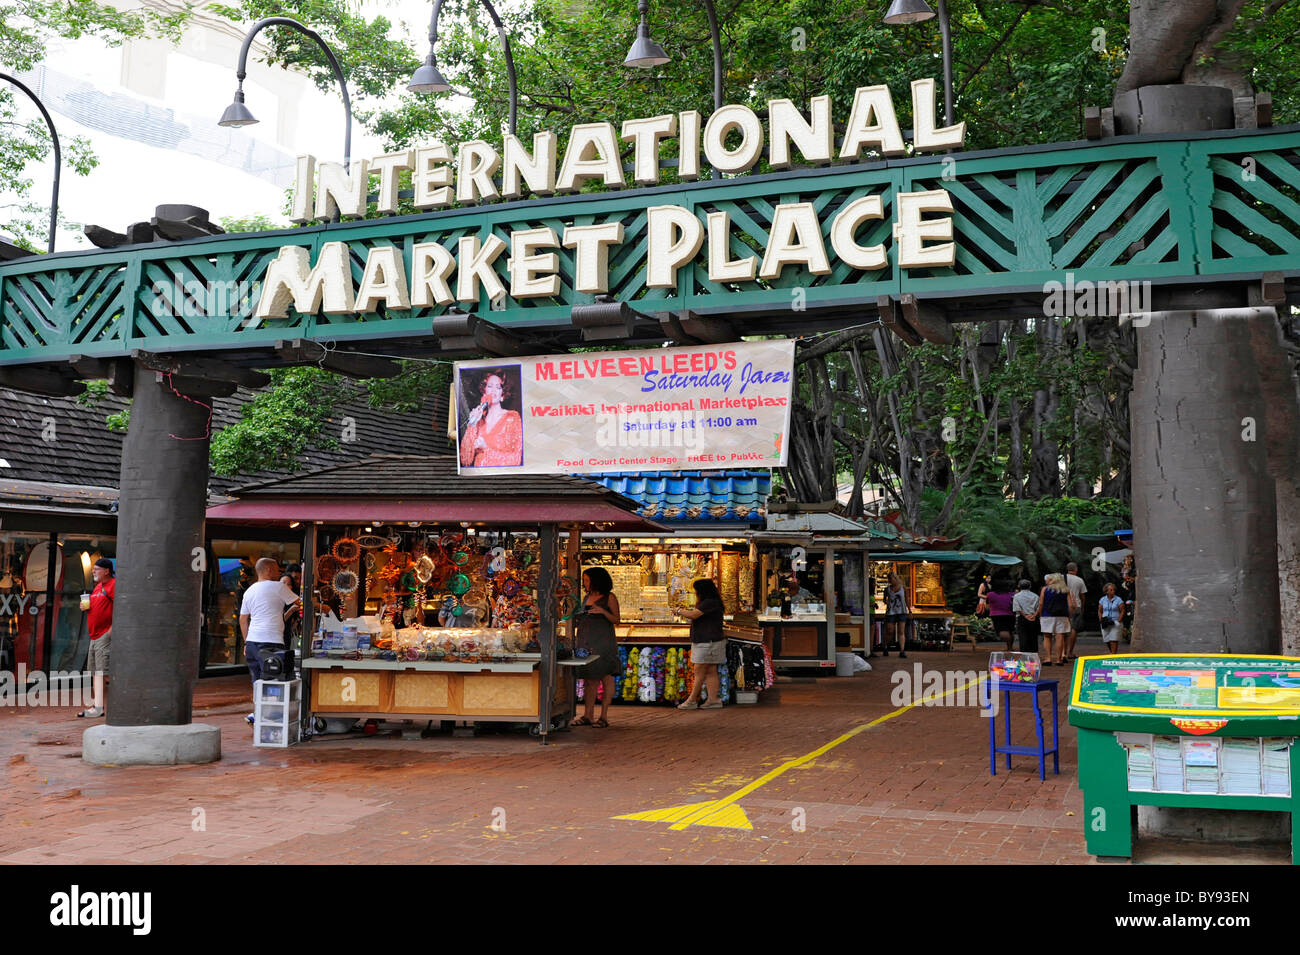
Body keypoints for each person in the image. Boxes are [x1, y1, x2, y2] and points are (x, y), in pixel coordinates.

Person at [239, 558, 300, 725]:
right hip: (271, 641)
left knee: (257, 680)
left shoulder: (249, 591)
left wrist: (246, 642)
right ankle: (271, 718)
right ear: (267, 570)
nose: (279, 572)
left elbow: (243, 620)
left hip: (252, 642)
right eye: (276, 569)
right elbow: (300, 602)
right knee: (275, 681)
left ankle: (257, 714)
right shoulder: (278, 587)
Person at [572, 568, 622, 728]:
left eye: (587, 580)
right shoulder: (587, 597)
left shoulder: (609, 597)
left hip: (603, 642)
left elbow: (616, 619)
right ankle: (588, 714)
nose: (585, 583)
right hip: (586, 640)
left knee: (606, 676)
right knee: (589, 679)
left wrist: (602, 611)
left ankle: (604, 716)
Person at [678, 578, 727, 709]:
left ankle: (692, 700)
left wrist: (678, 611)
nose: (694, 593)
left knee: (699, 671)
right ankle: (713, 699)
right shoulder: (713, 602)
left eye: (696, 591)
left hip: (706, 642)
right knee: (711, 670)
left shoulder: (709, 603)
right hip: (712, 641)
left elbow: (694, 615)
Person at [460, 370, 523, 467]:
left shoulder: (512, 418)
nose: (493, 391)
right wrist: (472, 424)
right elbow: (465, 460)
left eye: (498, 387)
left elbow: (516, 459)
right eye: (489, 386)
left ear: (503, 395)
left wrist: (486, 448)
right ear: (484, 391)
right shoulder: (479, 422)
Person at [78, 558, 115, 719]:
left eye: (97, 568)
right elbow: (97, 607)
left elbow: (122, 607)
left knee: (105, 672)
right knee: (96, 672)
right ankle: (98, 707)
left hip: (104, 635)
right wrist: (85, 607)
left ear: (106, 571)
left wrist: (111, 631)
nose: (93, 571)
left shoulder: (114, 585)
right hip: (94, 635)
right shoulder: (98, 587)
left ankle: (131, 699)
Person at [1038, 573, 1074, 666]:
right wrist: (1069, 615)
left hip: (1047, 615)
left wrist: (1040, 614)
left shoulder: (1045, 589)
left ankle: (1048, 658)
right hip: (1062, 616)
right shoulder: (1066, 590)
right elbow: (1070, 605)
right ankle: (1058, 659)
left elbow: (1041, 603)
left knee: (1047, 637)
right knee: (1060, 637)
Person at [1064, 561, 1088, 662]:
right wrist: (1082, 607)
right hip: (1076, 606)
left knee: (1063, 629)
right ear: (1076, 569)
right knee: (1074, 629)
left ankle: (1062, 652)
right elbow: (1082, 596)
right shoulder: (1079, 580)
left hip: (1063, 606)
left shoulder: (1061, 578)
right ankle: (1070, 652)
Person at [986, 578, 1016, 652]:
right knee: (1010, 630)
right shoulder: (1012, 594)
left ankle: (1009, 645)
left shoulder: (990, 595)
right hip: (1010, 614)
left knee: (1002, 631)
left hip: (997, 615)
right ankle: (1010, 647)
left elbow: (988, 604)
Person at [882, 572, 908, 658]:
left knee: (901, 631)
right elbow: (884, 599)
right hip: (891, 612)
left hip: (902, 611)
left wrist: (910, 611)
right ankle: (885, 646)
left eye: (891, 579)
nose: (890, 581)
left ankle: (902, 651)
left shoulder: (903, 588)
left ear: (895, 578)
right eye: (889, 579)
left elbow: (907, 600)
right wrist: (886, 602)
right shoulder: (887, 589)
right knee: (890, 631)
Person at [1011, 579, 1040, 654]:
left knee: (1023, 637)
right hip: (1033, 618)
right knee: (1033, 636)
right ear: (1030, 586)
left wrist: (1025, 616)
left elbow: (1017, 608)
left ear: (1019, 586)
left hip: (1022, 618)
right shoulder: (1035, 596)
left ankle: (1024, 655)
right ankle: (1034, 654)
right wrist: (1034, 615)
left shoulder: (1016, 596)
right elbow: (1039, 607)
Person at [1098, 582, 1125, 654]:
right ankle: (1112, 653)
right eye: (1111, 590)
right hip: (1105, 622)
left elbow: (1122, 610)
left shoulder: (1118, 599)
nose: (1113, 591)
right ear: (1106, 591)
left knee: (1114, 639)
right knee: (1107, 639)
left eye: (1113, 590)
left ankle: (1113, 654)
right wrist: (1100, 619)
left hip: (1115, 621)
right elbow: (1100, 610)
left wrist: (1119, 620)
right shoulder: (1102, 600)